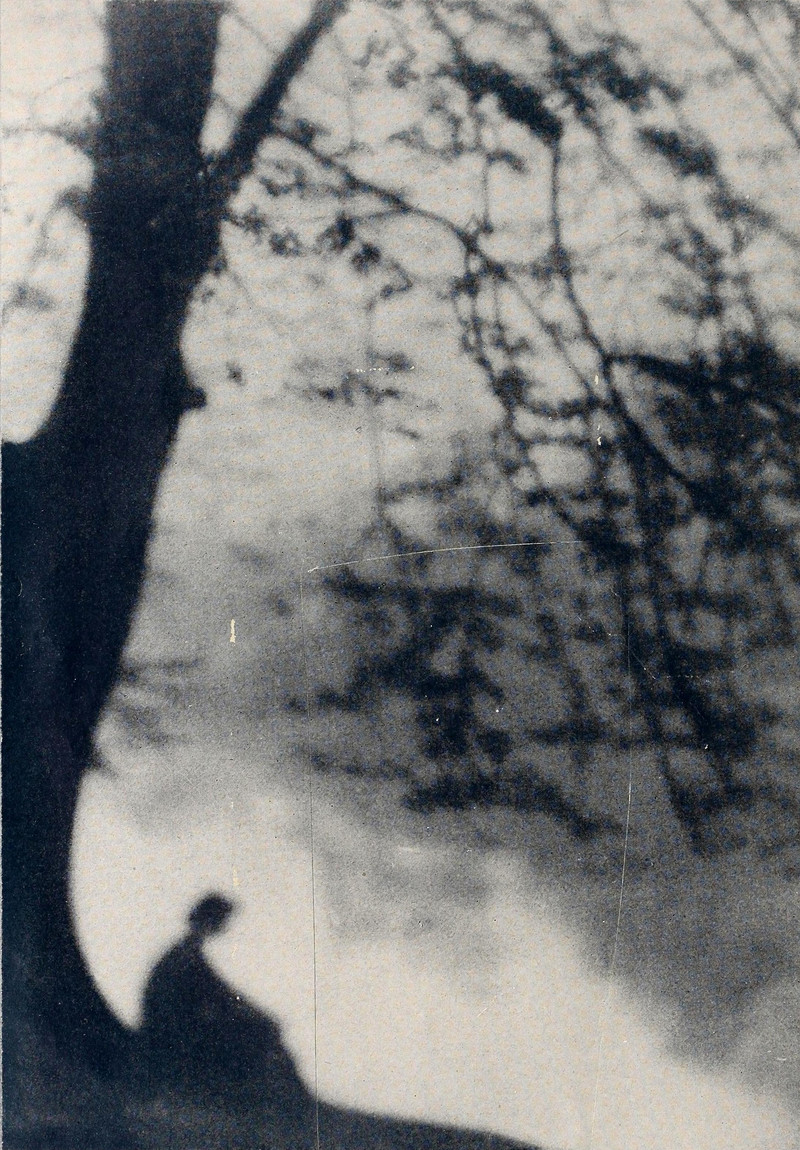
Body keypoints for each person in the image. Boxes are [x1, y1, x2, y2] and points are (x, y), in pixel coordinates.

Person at [138, 893, 311, 1122]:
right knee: (258, 1032)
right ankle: (287, 1104)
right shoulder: (186, 958)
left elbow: (222, 995)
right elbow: (221, 997)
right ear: (212, 921)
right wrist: (261, 1017)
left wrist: (254, 1013)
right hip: (175, 1039)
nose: (224, 925)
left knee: (255, 1027)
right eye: (221, 919)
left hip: (173, 1033)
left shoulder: (184, 953)